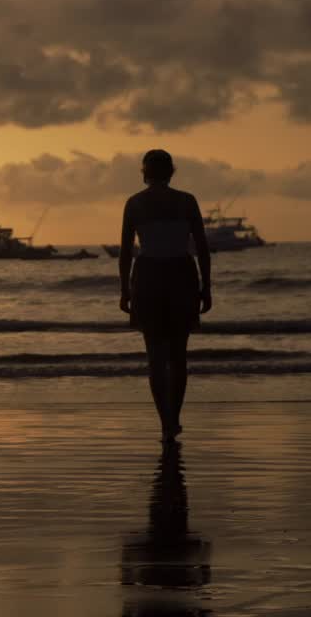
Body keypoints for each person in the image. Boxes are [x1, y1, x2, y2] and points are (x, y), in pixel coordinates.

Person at [119, 149, 211, 441]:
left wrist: (124, 289)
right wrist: (206, 286)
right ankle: (175, 418)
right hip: (181, 276)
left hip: (148, 277)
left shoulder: (134, 203)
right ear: (171, 172)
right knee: (178, 356)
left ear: (144, 173)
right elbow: (202, 248)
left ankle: (165, 423)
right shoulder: (186, 201)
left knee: (155, 357)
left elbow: (125, 252)